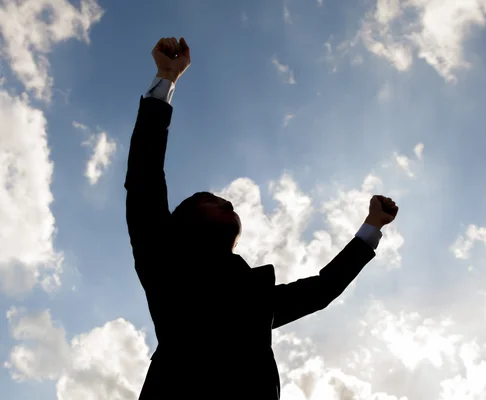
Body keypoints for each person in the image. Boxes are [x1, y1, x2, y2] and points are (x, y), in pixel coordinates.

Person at [125, 37, 399, 400]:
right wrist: (166, 79)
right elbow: (144, 177)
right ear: (182, 226)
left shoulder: (256, 298)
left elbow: (321, 289)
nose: (228, 202)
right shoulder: (163, 261)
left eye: (225, 202)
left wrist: (371, 228)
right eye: (212, 200)